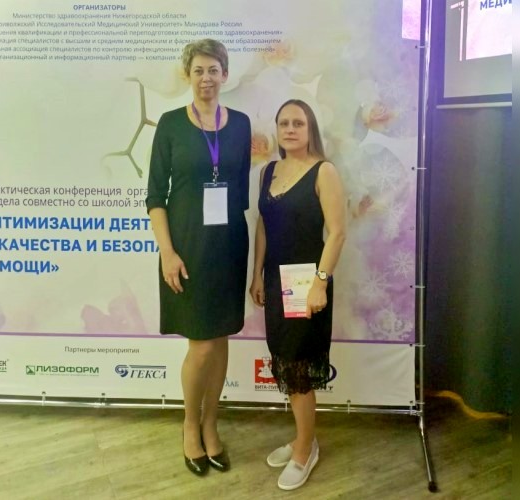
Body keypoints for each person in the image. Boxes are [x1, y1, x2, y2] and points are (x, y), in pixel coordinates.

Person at [146, 39, 251, 476]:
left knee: (221, 338)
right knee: (201, 345)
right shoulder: (170, 124)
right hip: (187, 249)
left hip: (228, 247)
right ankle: (190, 425)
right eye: (198, 70)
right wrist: (167, 253)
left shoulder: (241, 124)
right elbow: (155, 197)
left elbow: (240, 191)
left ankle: (211, 424)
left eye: (213, 70)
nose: (206, 78)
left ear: (225, 74)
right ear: (187, 76)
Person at [249, 99, 346, 490]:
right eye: (284, 123)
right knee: (285, 363)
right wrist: (257, 275)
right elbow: (263, 226)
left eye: (298, 123)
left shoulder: (324, 171)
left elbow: (337, 232)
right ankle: (302, 437)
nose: (290, 129)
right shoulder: (268, 171)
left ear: (310, 130)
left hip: (306, 284)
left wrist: (320, 282)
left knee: (299, 368)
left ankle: (306, 449)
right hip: (275, 282)